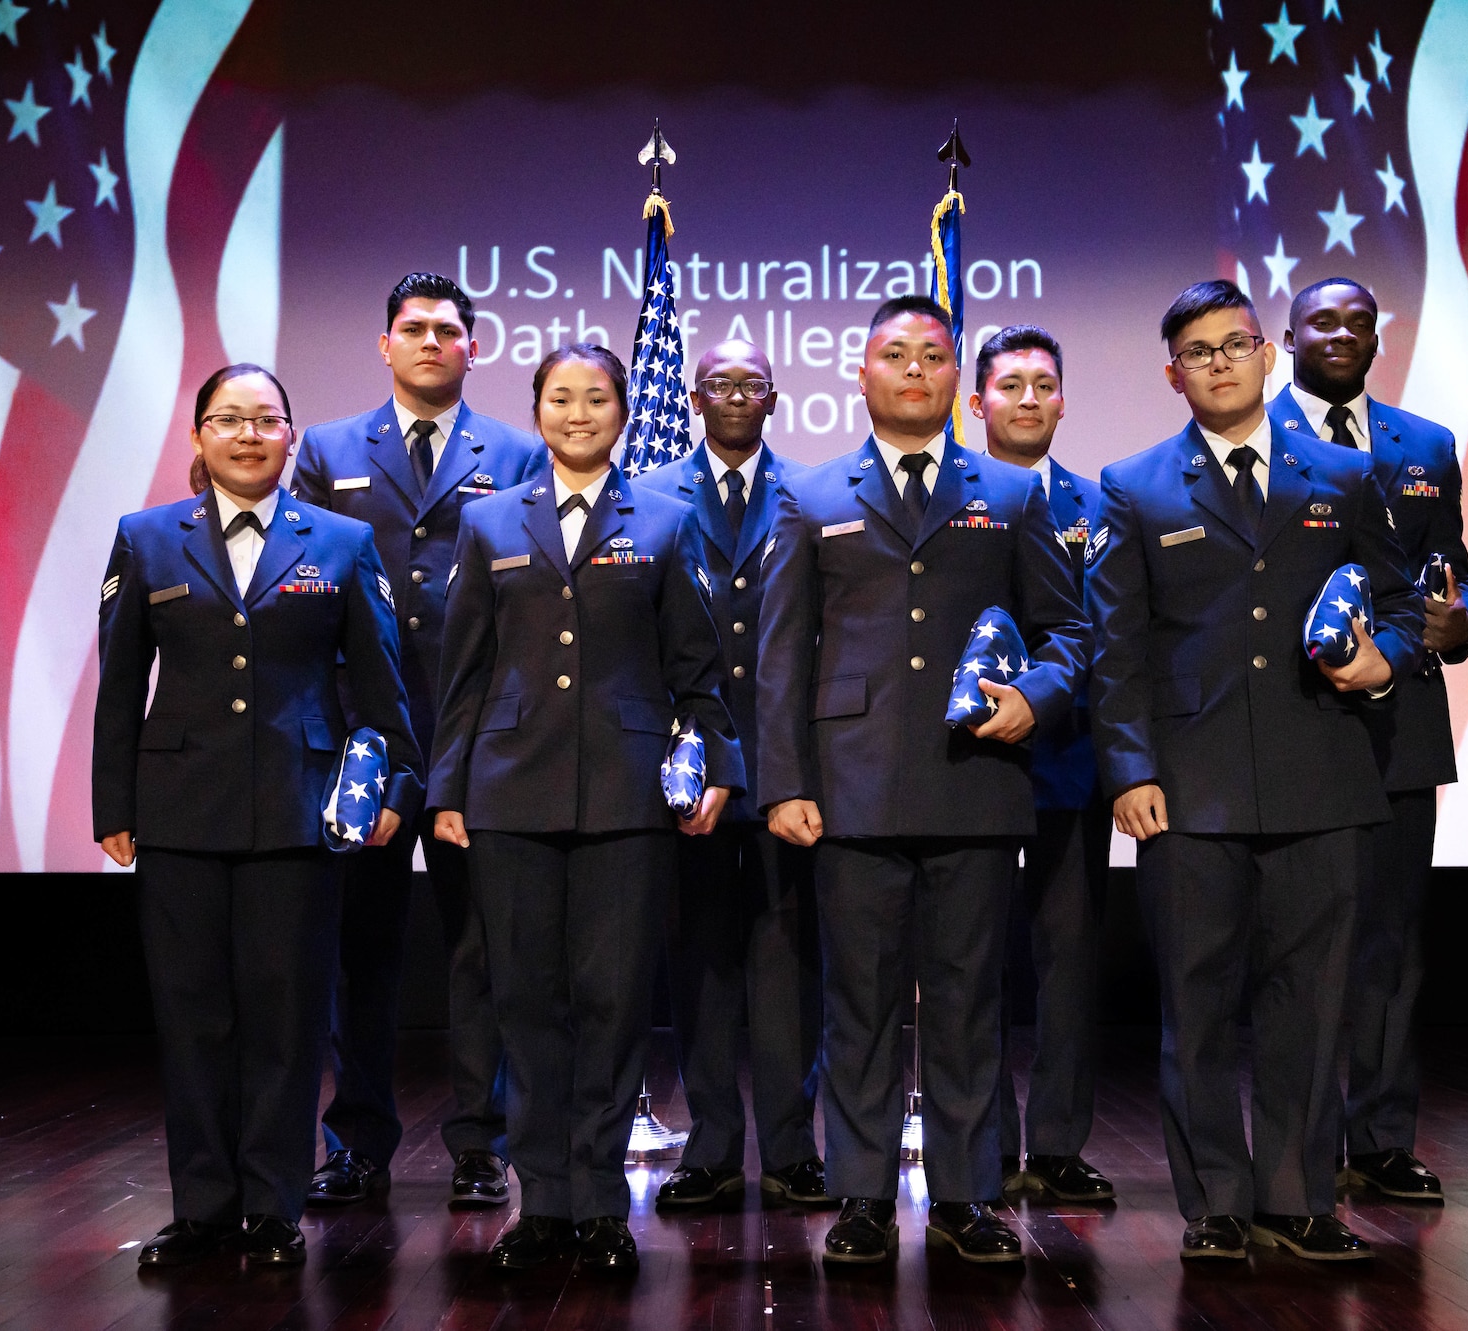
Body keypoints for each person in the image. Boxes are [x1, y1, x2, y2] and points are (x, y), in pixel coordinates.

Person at [1087, 280, 1423, 1264]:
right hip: (1185, 791)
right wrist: (1127, 769)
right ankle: (1215, 1205)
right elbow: (1117, 648)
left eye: (1235, 343)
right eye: (1198, 350)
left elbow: (1400, 604)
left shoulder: (1343, 475)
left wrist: (1384, 656)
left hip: (1320, 772)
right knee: (1196, 1004)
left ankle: (1297, 1197)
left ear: (1265, 355)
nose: (1222, 361)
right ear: (1172, 374)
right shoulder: (1132, 483)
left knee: (1310, 1002)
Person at [757, 296, 1089, 1265]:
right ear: (857, 374)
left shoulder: (1011, 493)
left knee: (964, 1003)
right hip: (848, 787)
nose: (913, 370)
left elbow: (1068, 633)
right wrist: (782, 781)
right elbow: (784, 655)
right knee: (855, 1004)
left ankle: (966, 1196)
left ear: (957, 381)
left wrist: (1035, 692)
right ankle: (860, 1196)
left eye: (933, 356)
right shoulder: (809, 494)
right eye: (892, 355)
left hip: (974, 782)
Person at [93, 364, 422, 1268]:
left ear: (289, 436)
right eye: (227, 420)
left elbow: (381, 688)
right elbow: (120, 686)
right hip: (179, 814)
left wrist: (396, 789)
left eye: (265, 420)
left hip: (300, 814)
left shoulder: (345, 541)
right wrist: (112, 804)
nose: (247, 435)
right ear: (198, 437)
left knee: (286, 1017)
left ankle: (272, 1206)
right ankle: (202, 1206)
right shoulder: (146, 538)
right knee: (194, 1014)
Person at [428, 343, 743, 1274]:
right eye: (560, 397)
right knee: (527, 1000)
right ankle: (546, 1202)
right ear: (535, 411)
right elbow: (465, 671)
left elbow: (697, 665)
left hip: (628, 795)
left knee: (610, 1003)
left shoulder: (668, 518)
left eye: (595, 397)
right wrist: (447, 787)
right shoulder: (487, 521)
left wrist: (716, 761)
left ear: (621, 410)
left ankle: (601, 1200)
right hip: (509, 791)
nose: (577, 412)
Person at [292, 273, 545, 1211]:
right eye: (414, 328)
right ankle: (355, 1141)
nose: (432, 341)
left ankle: (483, 1142)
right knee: (361, 953)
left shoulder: (516, 450)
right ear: (385, 345)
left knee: (484, 952)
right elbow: (306, 593)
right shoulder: (323, 449)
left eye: (450, 330)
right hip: (363, 742)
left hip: (479, 738)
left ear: (475, 347)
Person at [1271, 277, 1468, 1204]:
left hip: (1400, 720)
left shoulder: (1425, 445)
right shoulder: (1253, 433)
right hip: (1289, 718)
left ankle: (1383, 1136)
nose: (1344, 333)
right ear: (1287, 335)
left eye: (1361, 321)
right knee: (1294, 943)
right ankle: (1293, 1140)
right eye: (1325, 319)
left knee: (1390, 941)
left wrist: (1459, 620)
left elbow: (1456, 581)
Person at [635, 341, 829, 1212]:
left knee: (790, 964)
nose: (738, 396)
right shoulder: (649, 495)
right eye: (721, 384)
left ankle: (791, 1148)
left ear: (776, 398)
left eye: (754, 384)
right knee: (703, 963)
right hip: (696, 767)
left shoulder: (812, 493)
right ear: (694, 394)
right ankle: (711, 1147)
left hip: (791, 760)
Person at [965, 326, 1115, 1205]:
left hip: (1071, 766)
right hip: (972, 766)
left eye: (1043, 384)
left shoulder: (1103, 508)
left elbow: (1110, 641)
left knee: (1068, 961)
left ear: (1063, 401)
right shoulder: (950, 496)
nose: (1027, 397)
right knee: (972, 962)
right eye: (1009, 384)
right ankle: (979, 1144)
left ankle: (1058, 1144)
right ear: (975, 402)